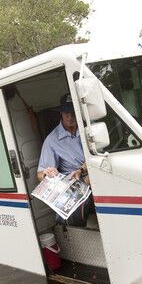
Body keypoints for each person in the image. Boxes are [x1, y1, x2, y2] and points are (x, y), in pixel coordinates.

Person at [37, 93, 93, 226]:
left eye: (73, 112)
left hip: (94, 171)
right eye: (66, 112)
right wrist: (47, 173)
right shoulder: (52, 140)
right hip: (76, 182)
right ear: (61, 113)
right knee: (66, 217)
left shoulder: (88, 129)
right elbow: (40, 175)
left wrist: (82, 169)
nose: (70, 116)